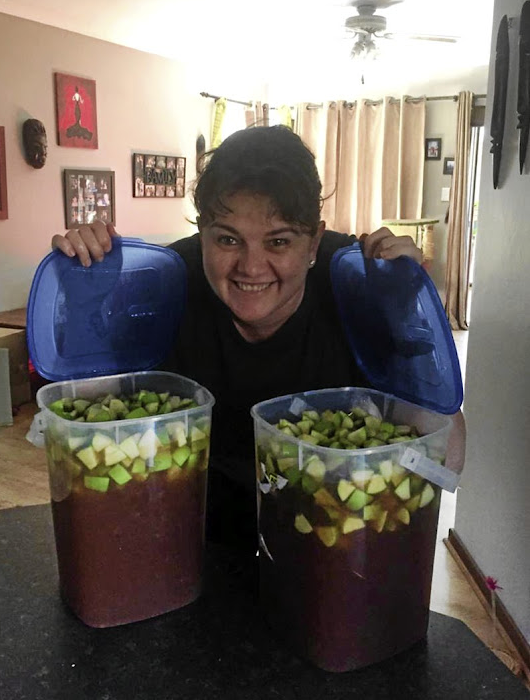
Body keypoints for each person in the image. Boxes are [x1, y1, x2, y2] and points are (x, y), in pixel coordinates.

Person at [52, 125, 465, 555]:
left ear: (314, 241)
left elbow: (449, 464)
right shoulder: (165, 287)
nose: (251, 266)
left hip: (330, 542)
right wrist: (84, 304)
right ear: (202, 233)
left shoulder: (359, 287)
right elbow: (83, 439)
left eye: (279, 241)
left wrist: (405, 317)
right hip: (187, 533)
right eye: (228, 239)